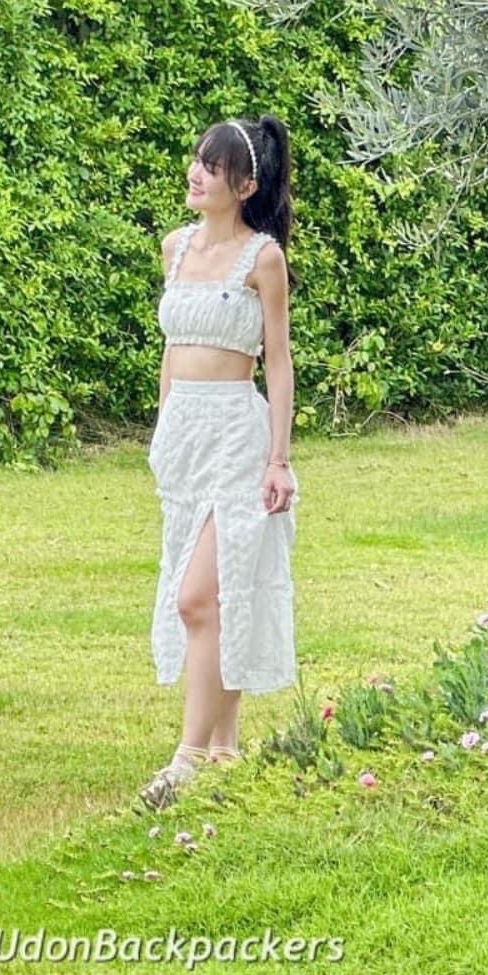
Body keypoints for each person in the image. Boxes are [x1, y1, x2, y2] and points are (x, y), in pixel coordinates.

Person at [138, 112, 299, 809]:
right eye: (196, 160)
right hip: (185, 437)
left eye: (212, 165)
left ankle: (186, 756)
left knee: (199, 595)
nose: (195, 173)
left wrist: (278, 459)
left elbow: (281, 360)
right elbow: (172, 353)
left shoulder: (262, 257)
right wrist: (162, 430)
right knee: (214, 592)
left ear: (245, 183)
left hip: (238, 434)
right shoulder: (174, 248)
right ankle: (227, 748)